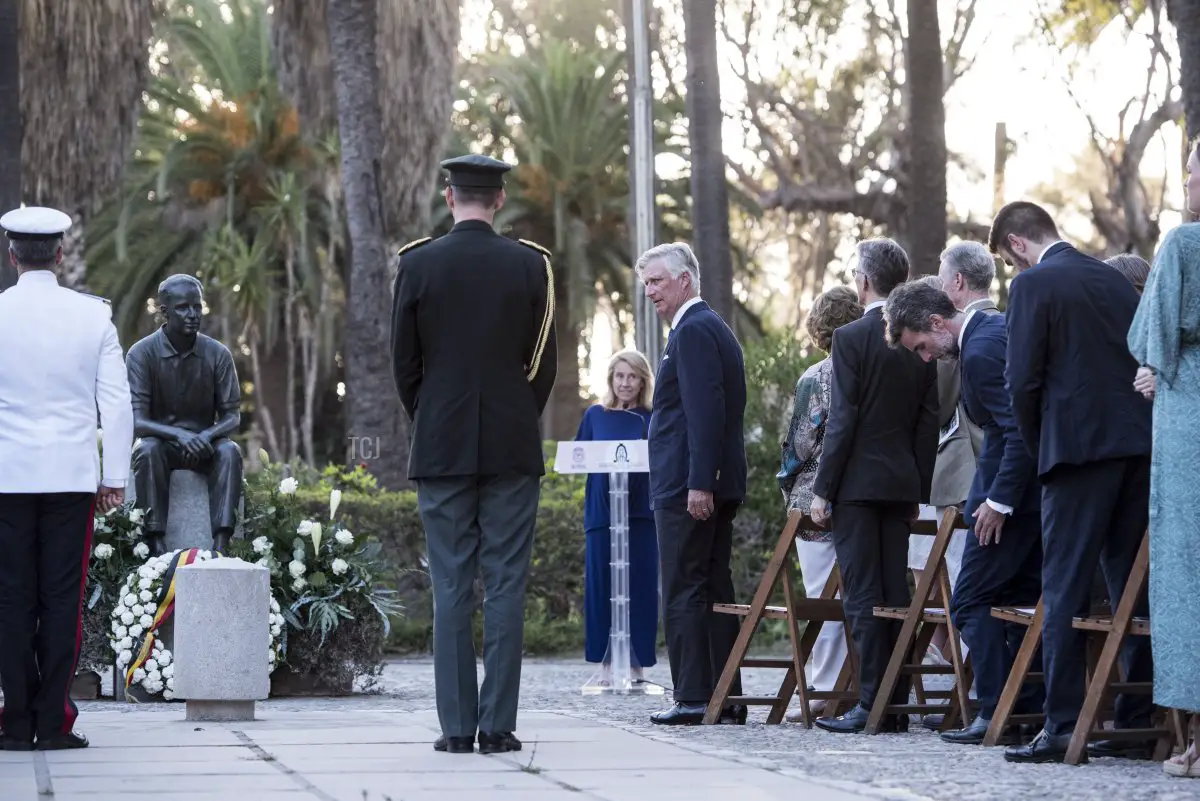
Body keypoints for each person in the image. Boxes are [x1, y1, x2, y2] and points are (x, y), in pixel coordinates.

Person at [390, 153, 557, 755]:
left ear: (447, 194)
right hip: (512, 444)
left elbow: (403, 364)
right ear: (500, 200)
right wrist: (513, 413)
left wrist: (433, 415)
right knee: (507, 586)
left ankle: (458, 728)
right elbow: (543, 363)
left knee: (451, 586)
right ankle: (500, 728)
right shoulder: (530, 264)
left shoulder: (417, 263)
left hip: (440, 444)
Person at [989, 200, 1154, 763]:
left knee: (1062, 587)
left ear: (1016, 244)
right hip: (1137, 448)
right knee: (1132, 589)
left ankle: (1062, 725)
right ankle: (1138, 721)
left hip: (1076, 455)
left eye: (1010, 263)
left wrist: (1042, 451)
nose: (1014, 273)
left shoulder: (1035, 286)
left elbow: (1020, 384)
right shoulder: (1114, 281)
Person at [883, 280, 1044, 746]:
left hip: (1006, 501)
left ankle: (996, 711)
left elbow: (1015, 430)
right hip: (1027, 499)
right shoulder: (996, 331)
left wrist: (997, 502)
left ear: (937, 322)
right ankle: (1025, 711)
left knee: (971, 601)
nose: (926, 358)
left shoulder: (978, 351)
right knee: (1019, 602)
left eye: (923, 346)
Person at [0, 206, 134, 751]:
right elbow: (118, 407)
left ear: (12, 256)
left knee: (10, 600)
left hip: (7, 478)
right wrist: (115, 479)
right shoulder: (92, 317)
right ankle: (53, 722)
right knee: (62, 599)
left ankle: (13, 722)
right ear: (59, 254)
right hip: (71, 481)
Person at [809, 237, 940, 734]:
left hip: (858, 488)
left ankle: (870, 704)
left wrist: (824, 489)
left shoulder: (850, 339)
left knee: (863, 596)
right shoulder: (918, 337)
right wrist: (917, 490)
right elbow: (927, 424)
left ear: (862, 281)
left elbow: (843, 420)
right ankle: (895, 704)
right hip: (901, 484)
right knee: (895, 594)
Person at [637, 242, 748, 726]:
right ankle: (725, 697)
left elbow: (706, 414)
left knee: (685, 586)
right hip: (696, 482)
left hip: (689, 486)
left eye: (656, 281)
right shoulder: (703, 328)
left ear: (685, 280)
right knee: (712, 587)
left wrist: (699, 482)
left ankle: (694, 696)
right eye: (646, 284)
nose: (650, 292)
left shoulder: (696, 330)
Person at [1128, 139, 1200, 779]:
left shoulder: (1183, 243)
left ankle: (1199, 743)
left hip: (1191, 417)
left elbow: (1150, 335)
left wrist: (1155, 367)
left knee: (1187, 572)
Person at [777, 285, 860, 722]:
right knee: (859, 594)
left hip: (815, 498)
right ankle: (858, 685)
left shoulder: (818, 376)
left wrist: (784, 477)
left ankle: (827, 688)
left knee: (822, 596)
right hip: (862, 495)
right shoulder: (869, 367)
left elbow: (800, 443)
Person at [126, 274, 243, 556]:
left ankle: (221, 546)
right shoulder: (141, 354)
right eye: (182, 308)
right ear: (163, 312)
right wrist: (180, 436)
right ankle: (155, 546)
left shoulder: (218, 354)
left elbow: (232, 416)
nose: (192, 315)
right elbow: (137, 421)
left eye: (196, 306)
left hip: (206, 444)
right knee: (147, 450)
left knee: (230, 452)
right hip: (163, 444)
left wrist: (204, 437)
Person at [575, 349, 659, 681]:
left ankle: (636, 664)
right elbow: (579, 455)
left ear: (642, 381)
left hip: (639, 514)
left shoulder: (652, 418)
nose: (625, 383)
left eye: (632, 376)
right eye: (619, 376)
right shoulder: (594, 415)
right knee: (600, 586)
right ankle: (605, 663)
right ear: (611, 379)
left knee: (639, 586)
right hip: (602, 513)